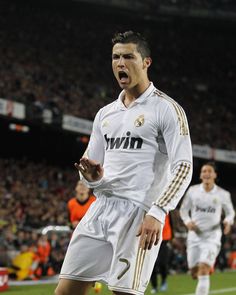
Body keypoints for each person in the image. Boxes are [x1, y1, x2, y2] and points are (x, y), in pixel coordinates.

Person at [55, 30, 192, 295]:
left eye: (128, 56)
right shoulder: (105, 114)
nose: (120, 63)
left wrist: (158, 211)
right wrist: (92, 177)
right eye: (116, 57)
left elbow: (184, 167)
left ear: (146, 62)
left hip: (138, 213)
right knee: (65, 292)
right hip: (100, 210)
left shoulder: (166, 109)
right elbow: (89, 173)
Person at [180, 162, 235, 295]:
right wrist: (187, 222)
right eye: (204, 171)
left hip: (212, 235)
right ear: (200, 175)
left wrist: (228, 221)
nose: (207, 174)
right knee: (194, 272)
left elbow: (230, 212)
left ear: (215, 175)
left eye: (210, 171)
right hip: (194, 236)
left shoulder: (223, 194)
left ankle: (207, 265)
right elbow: (183, 210)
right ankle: (202, 267)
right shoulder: (192, 191)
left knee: (203, 269)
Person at [150, 214, 172, 293]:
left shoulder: (167, 208)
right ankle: (154, 286)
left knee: (163, 263)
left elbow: (171, 222)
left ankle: (163, 281)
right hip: (152, 238)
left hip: (164, 239)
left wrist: (172, 237)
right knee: (152, 264)